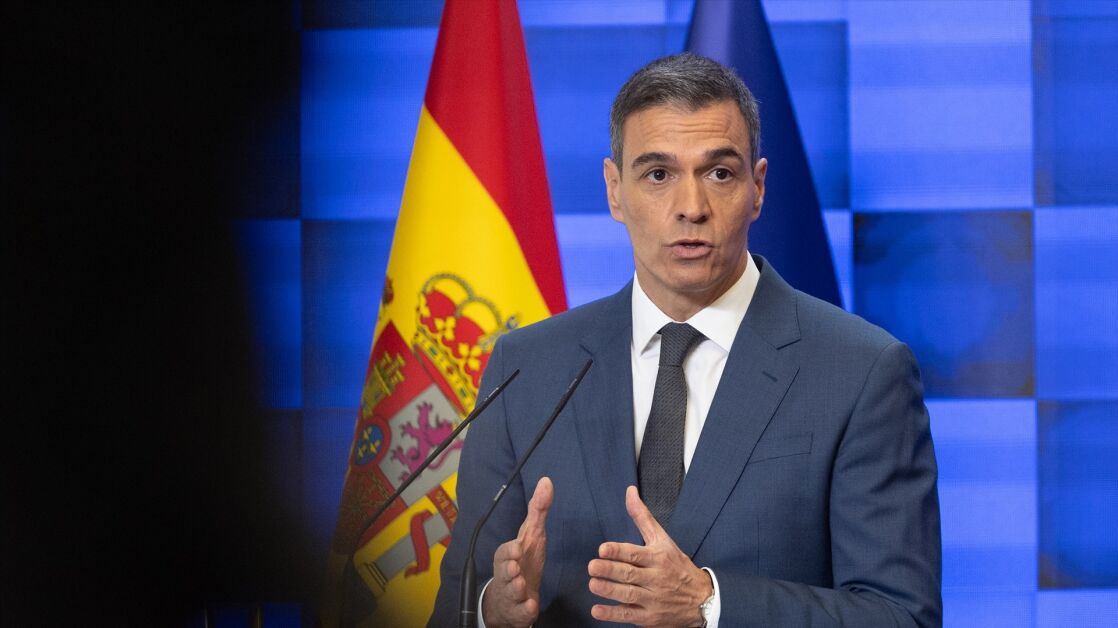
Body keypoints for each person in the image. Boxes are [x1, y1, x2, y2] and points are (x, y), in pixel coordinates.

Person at [429, 53, 941, 627]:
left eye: (719, 173)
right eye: (658, 175)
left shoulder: (861, 371)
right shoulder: (526, 369)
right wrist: (489, 611)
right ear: (614, 190)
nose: (691, 208)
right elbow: (453, 608)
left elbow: (902, 616)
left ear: (758, 188)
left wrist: (710, 604)